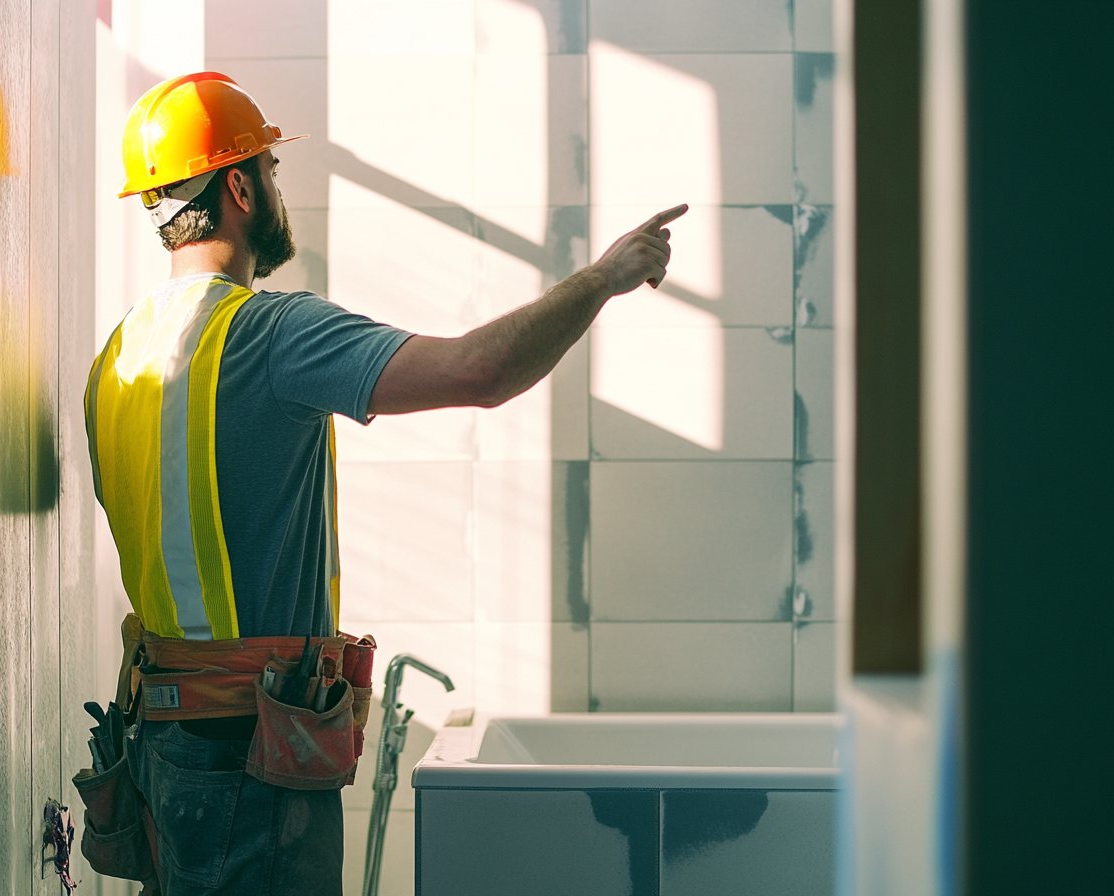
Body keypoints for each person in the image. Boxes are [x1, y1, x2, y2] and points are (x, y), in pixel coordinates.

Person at [85, 71, 685, 896]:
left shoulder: (116, 360)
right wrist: (603, 279)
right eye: (269, 169)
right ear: (238, 185)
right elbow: (482, 370)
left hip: (163, 753)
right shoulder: (269, 333)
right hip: (248, 759)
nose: (273, 185)